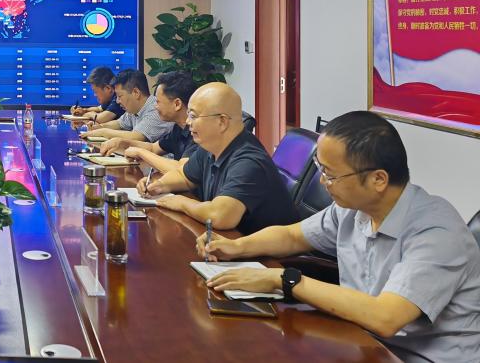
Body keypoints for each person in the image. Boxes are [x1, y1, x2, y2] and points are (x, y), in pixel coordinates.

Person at [198, 111, 480, 362]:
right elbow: (293, 236)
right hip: (362, 342)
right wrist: (235, 246)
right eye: (320, 168)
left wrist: (286, 281)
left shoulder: (436, 233)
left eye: (331, 175)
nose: (322, 182)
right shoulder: (353, 209)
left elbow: (386, 317)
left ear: (378, 179)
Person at [138, 82, 296, 234]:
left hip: (262, 251)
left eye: (193, 116)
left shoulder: (248, 162)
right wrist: (158, 185)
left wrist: (181, 203)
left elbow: (220, 216)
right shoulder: (210, 147)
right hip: (227, 242)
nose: (187, 122)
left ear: (222, 121)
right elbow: (184, 176)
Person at [98, 71, 199, 175]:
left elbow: (182, 170)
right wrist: (122, 143)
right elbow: (153, 148)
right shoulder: (178, 127)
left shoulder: (197, 131)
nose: (155, 106)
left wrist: (140, 152)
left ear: (177, 104)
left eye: (158, 102)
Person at [84, 69, 172, 143]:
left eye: (120, 96)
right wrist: (99, 127)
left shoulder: (155, 109)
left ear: (136, 92)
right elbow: (119, 123)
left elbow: (136, 137)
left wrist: (103, 132)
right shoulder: (134, 109)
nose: (117, 101)